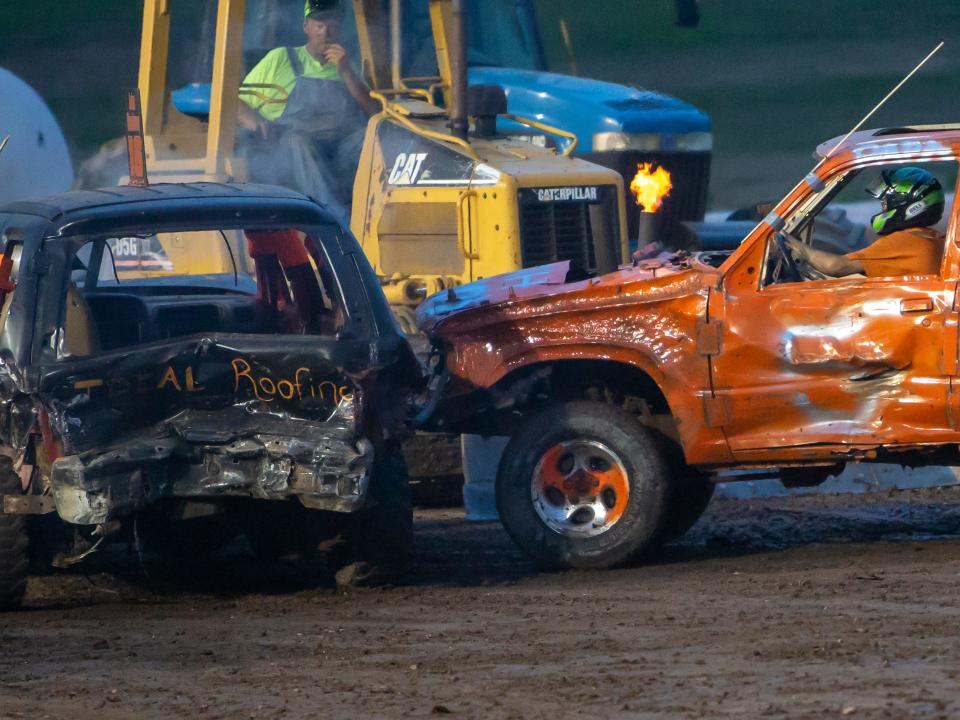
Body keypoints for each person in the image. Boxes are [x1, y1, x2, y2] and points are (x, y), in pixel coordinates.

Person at [238, 0, 378, 218]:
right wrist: (257, 123)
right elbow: (238, 104)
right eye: (319, 24)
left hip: (338, 149)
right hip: (289, 148)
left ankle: (380, 213)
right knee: (299, 142)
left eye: (332, 23)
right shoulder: (281, 58)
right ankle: (333, 219)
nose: (325, 31)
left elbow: (375, 113)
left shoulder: (347, 66)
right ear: (307, 26)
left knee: (373, 138)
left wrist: (346, 71)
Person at [784, 166, 946, 278]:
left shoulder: (904, 242)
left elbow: (835, 266)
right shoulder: (934, 239)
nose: (883, 207)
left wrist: (798, 246)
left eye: (886, 202)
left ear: (911, 205)